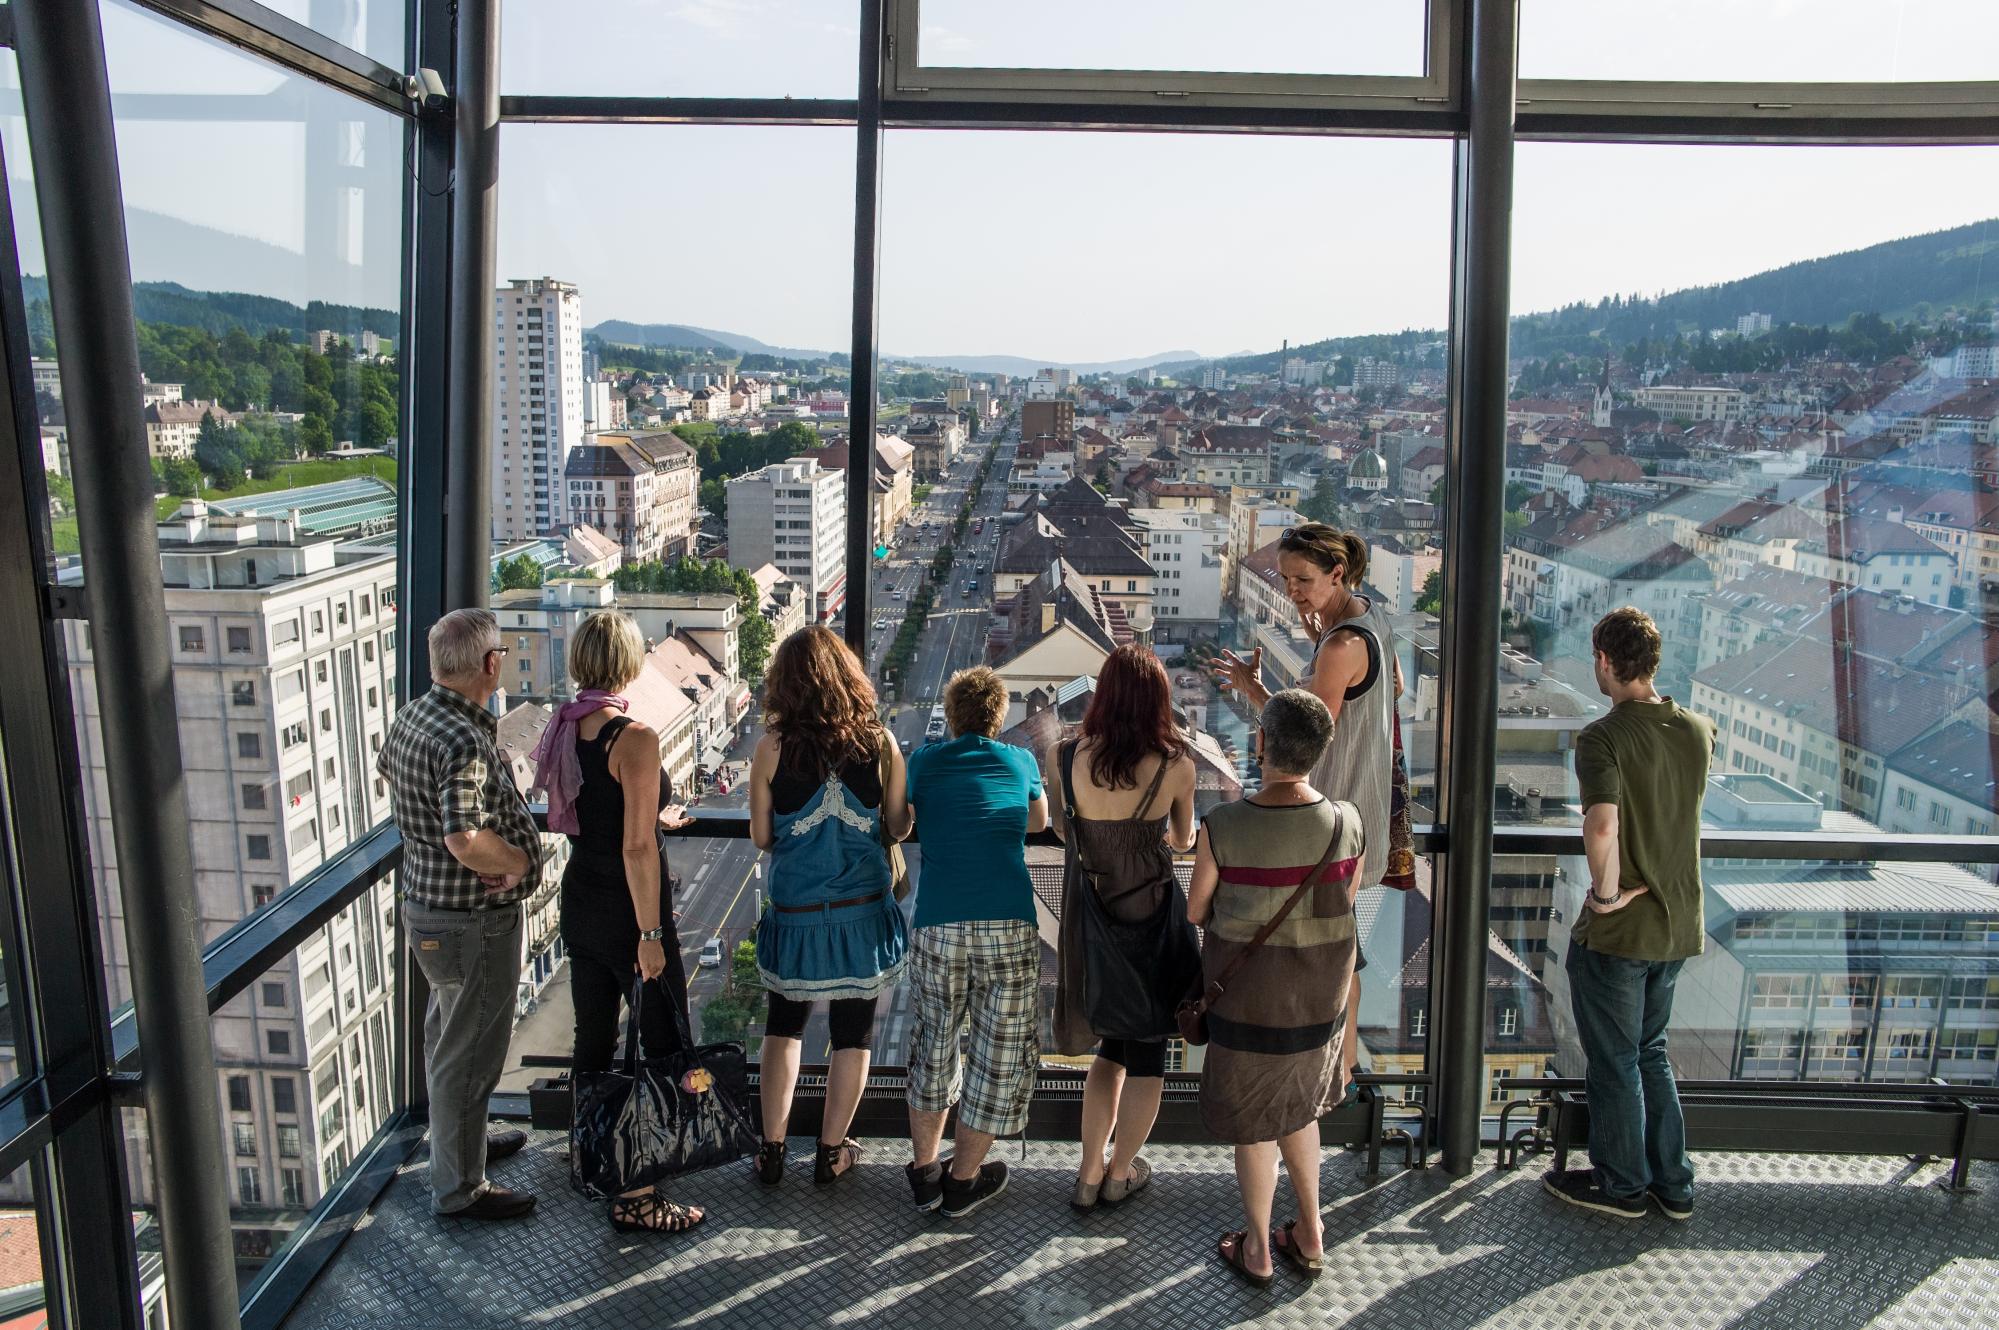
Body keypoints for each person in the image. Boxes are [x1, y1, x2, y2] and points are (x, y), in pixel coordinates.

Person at [531, 610, 704, 1235]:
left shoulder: (565, 728)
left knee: (594, 1041)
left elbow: (600, 820)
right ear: (629, 665)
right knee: (659, 1043)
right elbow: (635, 848)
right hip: (631, 911)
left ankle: (595, 1154)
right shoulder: (634, 738)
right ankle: (638, 1191)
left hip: (581, 898)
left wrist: (657, 810)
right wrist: (652, 935)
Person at [1213, 523, 1400, 1098]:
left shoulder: (1343, 645)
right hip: (1357, 808)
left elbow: (1306, 737)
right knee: (1336, 942)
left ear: (1338, 573)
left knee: (1333, 950)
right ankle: (1335, 1067)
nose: (1292, 591)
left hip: (1333, 814)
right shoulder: (1369, 618)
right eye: (1285, 579)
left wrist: (1253, 690)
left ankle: (1332, 1072)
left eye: (1303, 580)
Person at [1187, 690, 1365, 1286]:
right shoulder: (1348, 822)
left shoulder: (1224, 825)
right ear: (1320, 750)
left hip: (1248, 1006)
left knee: (1255, 1122)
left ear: (1261, 744)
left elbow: (1196, 910)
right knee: (1298, 1110)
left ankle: (1259, 1247)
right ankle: (1311, 1231)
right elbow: (1343, 900)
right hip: (1319, 1005)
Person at [1543, 607, 1714, 1221]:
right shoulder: (1697, 730)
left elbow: (1603, 824)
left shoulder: (1604, 737)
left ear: (1605, 662)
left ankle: (1622, 1186)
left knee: (1616, 1061)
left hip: (1622, 931)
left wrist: (1609, 894)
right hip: (1678, 924)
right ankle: (1674, 1183)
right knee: (1651, 1052)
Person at [375, 609, 543, 1221]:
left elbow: (389, 774)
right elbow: (465, 837)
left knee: (446, 1038)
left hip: (427, 908)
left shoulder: (413, 716)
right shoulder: (465, 737)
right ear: (491, 665)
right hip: (471, 917)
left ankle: (462, 1147)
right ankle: (459, 1189)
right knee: (468, 1053)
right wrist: (518, 862)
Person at [748, 626, 912, 1186]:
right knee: (853, 1035)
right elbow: (896, 825)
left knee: (783, 1027)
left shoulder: (770, 748)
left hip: (796, 912)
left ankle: (771, 1149)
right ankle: (831, 1151)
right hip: (862, 911)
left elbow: (763, 838)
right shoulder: (880, 743)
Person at [1048, 645, 1198, 1210]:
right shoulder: (1176, 763)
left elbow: (1066, 834)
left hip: (1093, 914)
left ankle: (1088, 1174)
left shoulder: (1065, 756)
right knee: (1148, 1050)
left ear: (1103, 695)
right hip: (1154, 916)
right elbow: (1182, 841)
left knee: (1110, 1048)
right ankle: (1121, 1172)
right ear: (1157, 701)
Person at [902, 667, 1049, 1218]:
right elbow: (1039, 822)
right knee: (998, 1054)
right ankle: (963, 1180)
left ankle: (924, 1172)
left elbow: (901, 818)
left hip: (938, 922)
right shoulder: (1020, 761)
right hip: (1007, 921)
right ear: (997, 716)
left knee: (934, 1042)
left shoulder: (923, 762)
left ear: (954, 712)